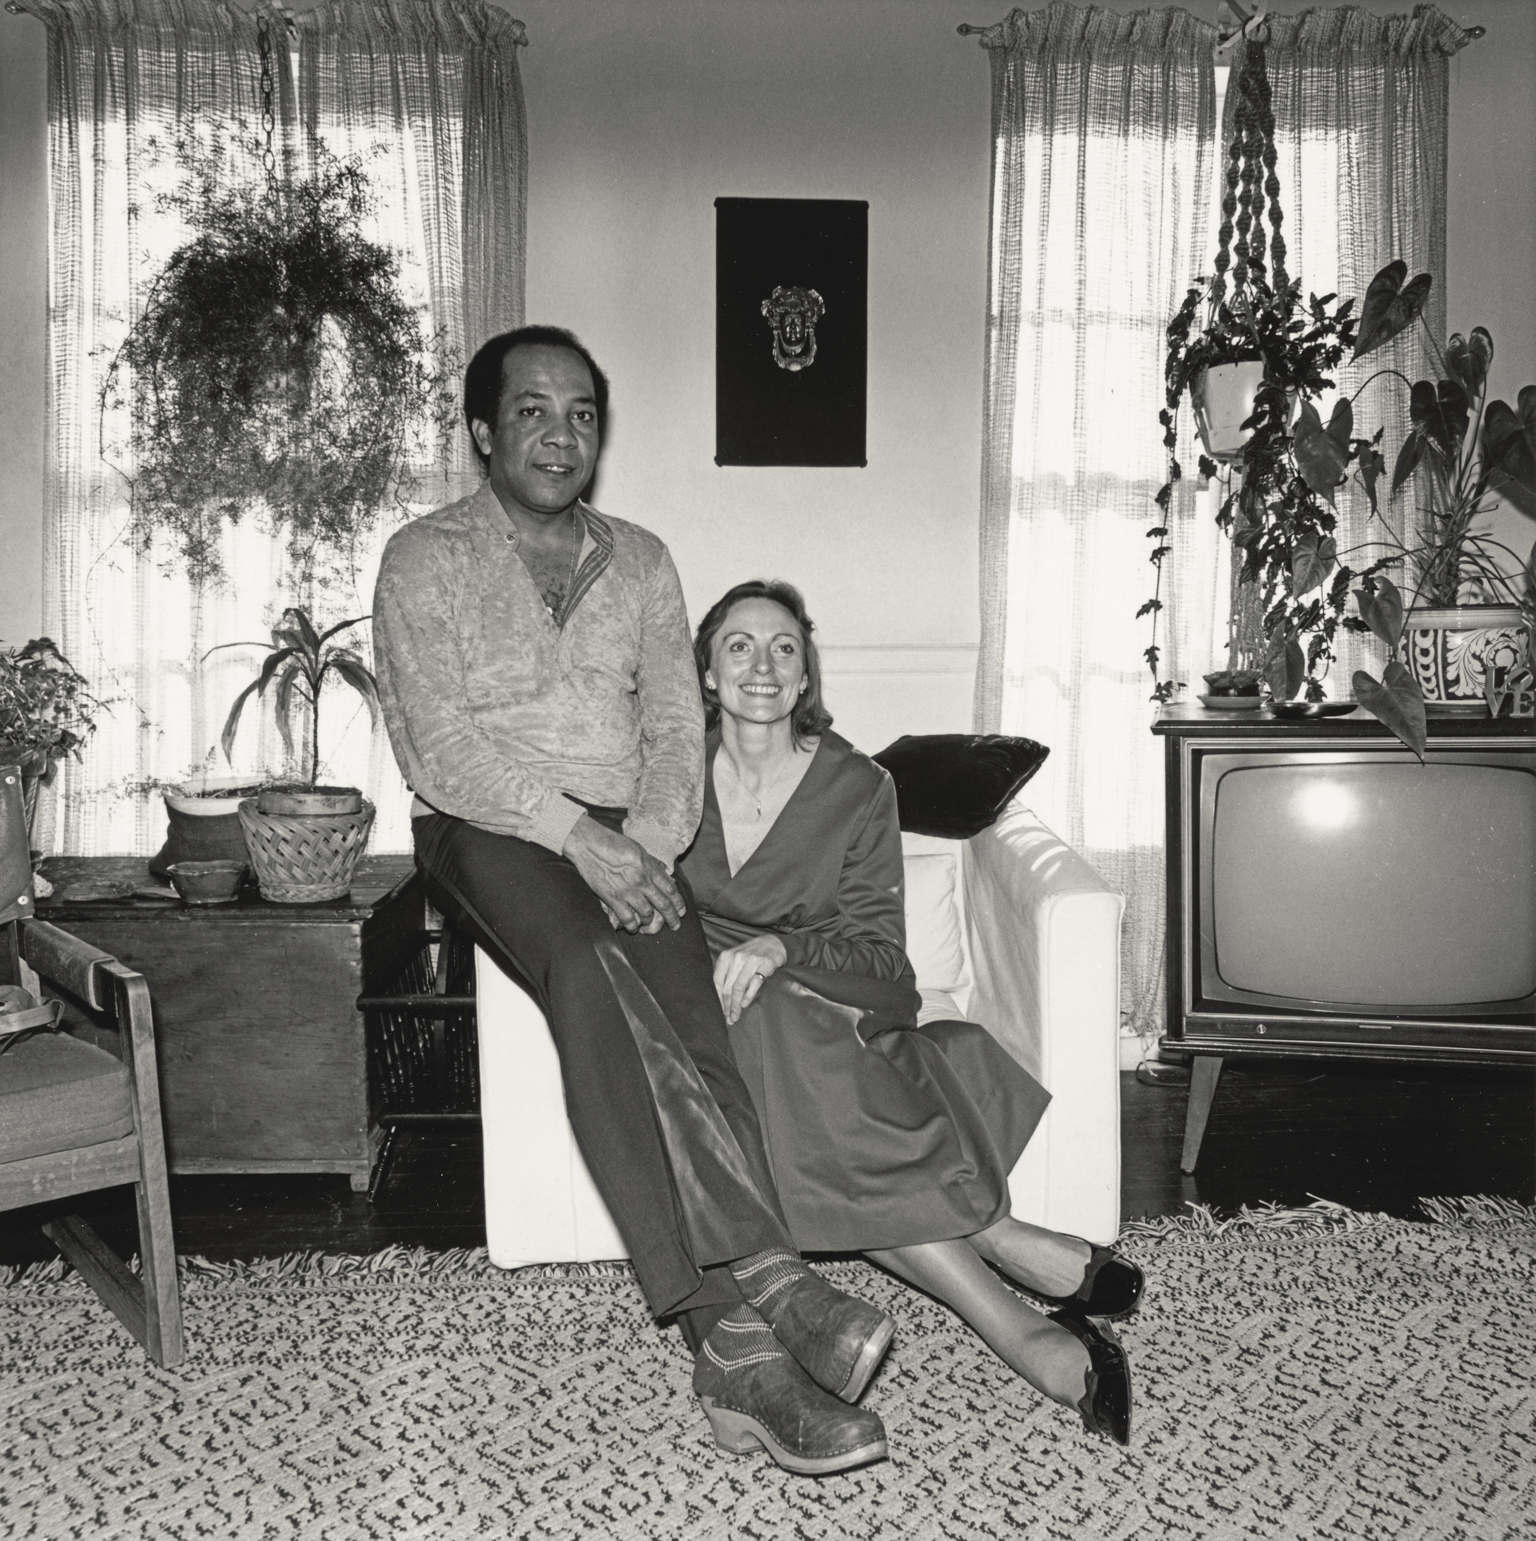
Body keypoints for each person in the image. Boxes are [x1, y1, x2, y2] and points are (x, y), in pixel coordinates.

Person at [372, 328, 899, 1476]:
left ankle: (746, 1352)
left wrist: (648, 845)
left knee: (686, 1006)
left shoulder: (647, 561)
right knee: (588, 964)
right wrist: (580, 843)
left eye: (581, 415)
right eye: (532, 412)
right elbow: (438, 745)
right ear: (481, 432)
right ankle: (750, 1306)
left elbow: (675, 726)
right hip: (489, 827)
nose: (560, 436)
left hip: (626, 831)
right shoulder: (424, 558)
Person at [676, 579, 1143, 1446]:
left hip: (837, 1018)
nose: (762, 665)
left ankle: (1015, 1306)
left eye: (784, 646)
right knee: (760, 1029)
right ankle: (1003, 1250)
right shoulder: (671, 778)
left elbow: (888, 966)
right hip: (716, 1027)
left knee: (782, 1019)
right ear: (705, 672)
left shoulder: (856, 786)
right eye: (738, 645)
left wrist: (782, 951)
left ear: (806, 669)